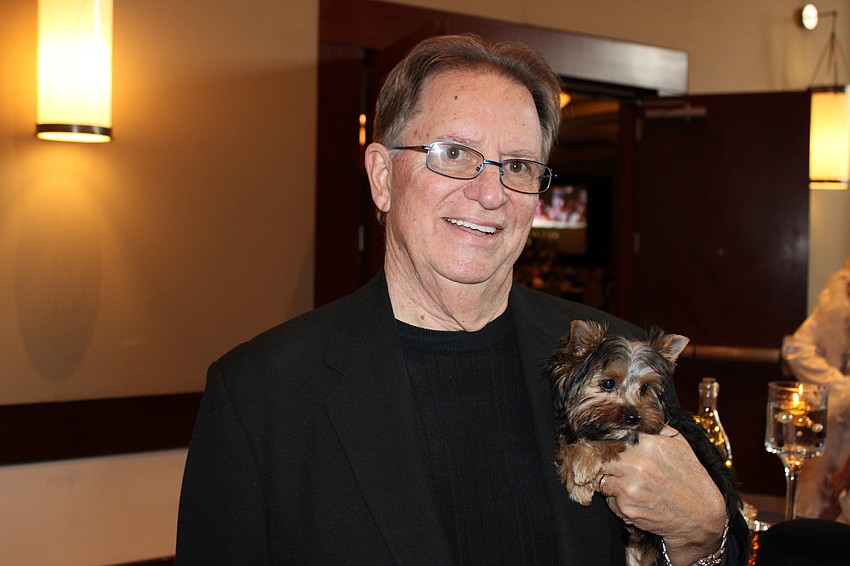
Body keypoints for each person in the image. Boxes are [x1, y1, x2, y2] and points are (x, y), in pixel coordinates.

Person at [175, 34, 747, 565]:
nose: (491, 192)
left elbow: (711, 539)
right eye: (453, 153)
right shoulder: (262, 393)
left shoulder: (617, 359)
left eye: (518, 165)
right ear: (382, 176)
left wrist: (704, 533)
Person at [783, 256, 850, 523]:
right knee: (821, 495)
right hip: (834, 419)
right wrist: (841, 386)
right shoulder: (837, 302)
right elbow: (795, 349)